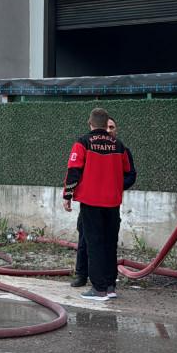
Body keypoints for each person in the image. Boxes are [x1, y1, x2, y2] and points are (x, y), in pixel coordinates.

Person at [62, 108, 135, 301]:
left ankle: (98, 289)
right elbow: (128, 172)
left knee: (93, 243)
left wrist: (67, 195)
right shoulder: (119, 145)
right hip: (112, 203)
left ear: (91, 123)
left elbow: (74, 170)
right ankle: (110, 286)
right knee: (109, 243)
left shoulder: (83, 143)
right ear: (105, 124)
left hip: (91, 201)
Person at [71, 117, 118, 287]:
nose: (109, 130)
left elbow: (129, 174)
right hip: (90, 202)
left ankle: (101, 284)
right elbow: (77, 171)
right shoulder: (87, 144)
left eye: (112, 127)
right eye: (107, 127)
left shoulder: (119, 147)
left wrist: (116, 185)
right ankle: (82, 274)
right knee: (85, 240)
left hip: (109, 203)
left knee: (104, 243)